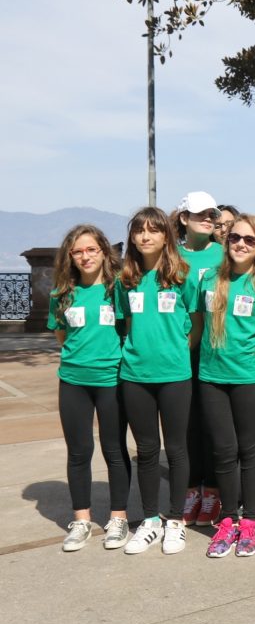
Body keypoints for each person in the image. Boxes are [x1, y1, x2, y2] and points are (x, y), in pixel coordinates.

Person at [194, 214, 255, 557]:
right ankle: (228, 519)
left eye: (249, 239)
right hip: (212, 377)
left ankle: (250, 520)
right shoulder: (208, 279)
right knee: (223, 450)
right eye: (235, 237)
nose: (241, 244)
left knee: (249, 449)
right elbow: (198, 325)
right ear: (226, 240)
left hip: (250, 378)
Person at [117, 207, 199, 554]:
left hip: (175, 375)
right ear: (132, 237)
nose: (145, 236)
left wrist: (176, 350)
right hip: (135, 376)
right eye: (139, 230)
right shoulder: (125, 279)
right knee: (147, 450)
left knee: (177, 449)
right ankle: (150, 520)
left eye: (153, 230)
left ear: (167, 235)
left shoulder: (182, 275)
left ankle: (175, 521)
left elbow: (196, 322)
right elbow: (124, 323)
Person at [49, 225, 131, 552]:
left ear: (104, 252)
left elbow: (128, 328)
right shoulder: (62, 293)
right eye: (78, 251)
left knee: (114, 449)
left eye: (91, 249)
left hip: (111, 380)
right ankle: (81, 520)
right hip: (73, 382)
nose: (85, 256)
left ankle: (118, 518)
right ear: (70, 256)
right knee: (79, 451)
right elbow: (62, 335)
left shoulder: (118, 288)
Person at [175, 192, 226, 529]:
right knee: (187, 425)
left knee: (213, 425)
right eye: (200, 214)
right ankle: (192, 489)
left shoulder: (224, 253)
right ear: (184, 218)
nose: (208, 219)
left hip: (217, 353)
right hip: (180, 353)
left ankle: (214, 491)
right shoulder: (171, 256)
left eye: (212, 214)